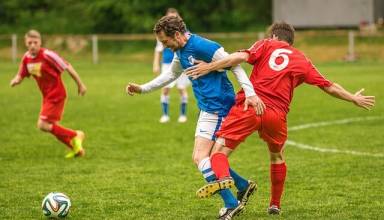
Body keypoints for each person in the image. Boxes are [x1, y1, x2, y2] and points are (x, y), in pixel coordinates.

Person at [186, 22, 375, 215]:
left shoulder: (266, 44)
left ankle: (225, 179)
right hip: (276, 115)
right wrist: (353, 98)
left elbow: (238, 57)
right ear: (290, 42)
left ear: (274, 36)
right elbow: (328, 85)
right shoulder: (303, 60)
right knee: (276, 156)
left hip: (250, 106)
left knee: (218, 153)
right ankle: (274, 204)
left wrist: (210, 66)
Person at [126, 16, 265, 219]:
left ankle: (231, 203)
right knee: (203, 158)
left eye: (165, 42)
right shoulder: (180, 51)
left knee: (200, 158)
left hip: (218, 107)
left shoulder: (204, 46)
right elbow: (170, 75)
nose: (165, 47)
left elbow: (235, 64)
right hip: (207, 108)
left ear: (176, 35)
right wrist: (142, 88)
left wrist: (250, 93)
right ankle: (242, 185)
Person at [10, 30, 87, 159]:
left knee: (43, 125)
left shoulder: (48, 55)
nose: (33, 45)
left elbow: (68, 66)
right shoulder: (26, 58)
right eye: (30, 43)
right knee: (50, 126)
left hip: (56, 94)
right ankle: (76, 149)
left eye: (35, 42)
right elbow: (22, 73)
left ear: (40, 42)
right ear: (26, 43)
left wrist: (80, 84)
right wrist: (16, 80)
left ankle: (76, 135)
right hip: (46, 96)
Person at [153, 8, 190, 123]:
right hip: (167, 63)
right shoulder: (162, 33)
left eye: (175, 17)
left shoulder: (185, 33)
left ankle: (183, 115)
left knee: (181, 88)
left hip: (182, 63)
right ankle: (165, 115)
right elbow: (158, 50)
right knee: (165, 88)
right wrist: (155, 64)